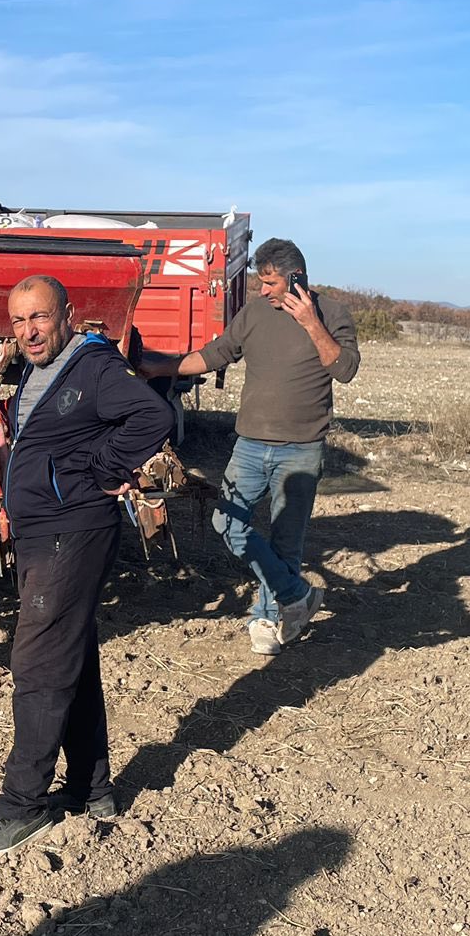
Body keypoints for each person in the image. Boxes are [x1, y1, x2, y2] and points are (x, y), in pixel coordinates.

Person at [0, 275, 174, 863]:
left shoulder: (95, 367)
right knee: (70, 655)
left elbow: (152, 418)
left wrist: (97, 469)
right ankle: (91, 786)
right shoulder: (39, 368)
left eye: (40, 318)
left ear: (68, 315)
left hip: (73, 530)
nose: (28, 331)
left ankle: (21, 805)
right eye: (18, 321)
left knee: (38, 661)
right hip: (44, 530)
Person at [137, 237, 358, 655]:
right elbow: (216, 354)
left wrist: (311, 323)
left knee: (286, 542)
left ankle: (266, 616)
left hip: (302, 449)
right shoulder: (255, 312)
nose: (262, 291)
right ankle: (297, 597)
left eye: (270, 283)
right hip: (251, 446)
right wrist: (160, 368)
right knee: (227, 523)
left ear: (297, 279)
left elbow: (345, 369)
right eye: (261, 282)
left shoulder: (333, 314)